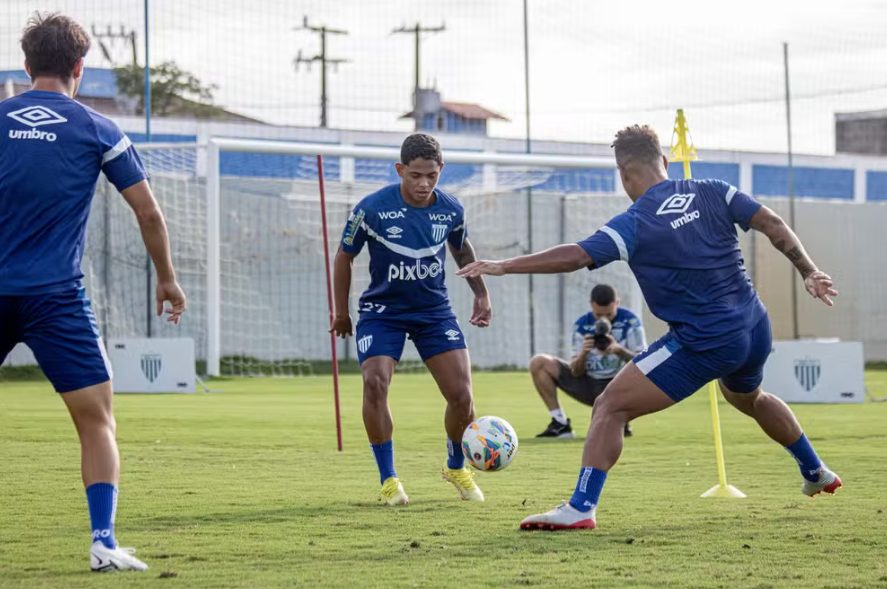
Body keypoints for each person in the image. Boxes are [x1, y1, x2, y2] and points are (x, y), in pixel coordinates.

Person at [458, 124, 841, 531]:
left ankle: (580, 507)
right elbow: (772, 223)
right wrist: (810, 271)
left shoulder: (635, 221)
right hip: (754, 326)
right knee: (750, 398)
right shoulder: (713, 189)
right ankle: (815, 471)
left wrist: (504, 265)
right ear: (665, 160)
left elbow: (575, 255)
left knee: (609, 406)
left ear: (623, 173)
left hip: (703, 340)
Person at [0, 14, 186, 569]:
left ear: (27, 65)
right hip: (56, 299)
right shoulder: (99, 128)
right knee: (96, 421)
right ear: (79, 68)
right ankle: (102, 542)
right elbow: (148, 212)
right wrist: (167, 278)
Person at [330, 133, 492, 506]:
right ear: (400, 170)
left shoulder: (451, 209)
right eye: (415, 175)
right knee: (375, 383)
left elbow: (461, 247)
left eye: (431, 176)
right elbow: (343, 256)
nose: (423, 184)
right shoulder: (371, 209)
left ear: (441, 171)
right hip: (382, 313)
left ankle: (455, 466)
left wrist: (481, 293)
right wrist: (341, 312)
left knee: (462, 396)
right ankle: (389, 480)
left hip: (434, 312)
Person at [531, 284, 645, 439]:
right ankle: (560, 423)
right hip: (589, 384)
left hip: (618, 385)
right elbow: (576, 371)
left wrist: (620, 350)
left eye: (609, 314)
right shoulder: (581, 325)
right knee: (539, 363)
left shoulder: (630, 322)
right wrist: (584, 353)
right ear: (591, 304)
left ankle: (619, 418)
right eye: (598, 315)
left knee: (605, 434)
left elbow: (644, 365)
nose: (603, 319)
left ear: (617, 303)